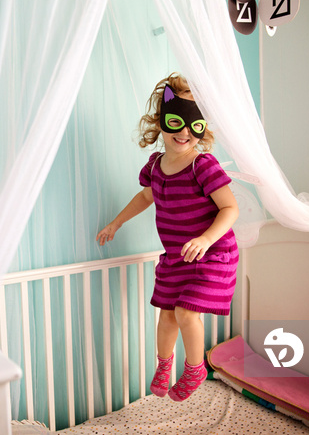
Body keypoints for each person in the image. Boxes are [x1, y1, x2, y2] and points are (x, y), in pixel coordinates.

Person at [96, 73, 239, 402]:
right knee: (167, 314)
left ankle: (195, 368)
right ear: (161, 122)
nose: (185, 132)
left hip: (214, 253)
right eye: (177, 122)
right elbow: (145, 198)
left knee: (187, 312)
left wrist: (204, 239)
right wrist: (116, 223)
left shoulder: (202, 165)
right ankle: (164, 365)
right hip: (177, 256)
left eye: (194, 125)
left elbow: (229, 208)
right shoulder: (157, 166)